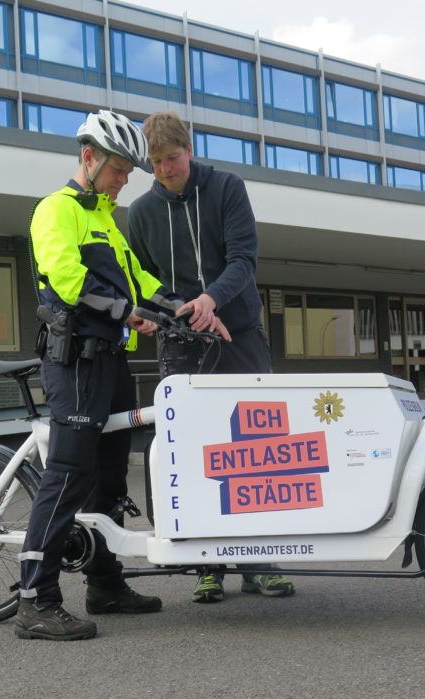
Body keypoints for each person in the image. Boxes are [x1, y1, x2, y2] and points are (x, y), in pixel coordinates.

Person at [15, 110, 190, 641]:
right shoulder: (56, 210)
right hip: (75, 361)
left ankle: (105, 584)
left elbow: (139, 279)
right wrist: (123, 312)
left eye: (128, 171)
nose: (126, 179)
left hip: (112, 360)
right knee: (68, 472)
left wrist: (180, 309)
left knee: (111, 477)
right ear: (88, 158)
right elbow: (68, 279)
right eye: (118, 168)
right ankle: (35, 601)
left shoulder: (105, 219)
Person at [127, 110, 295, 605]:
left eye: (172, 159)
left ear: (190, 150)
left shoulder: (227, 189)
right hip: (180, 343)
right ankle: (206, 566)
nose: (164, 170)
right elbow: (142, 278)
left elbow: (244, 259)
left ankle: (260, 563)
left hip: (240, 334)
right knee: (190, 449)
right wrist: (179, 310)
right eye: (155, 163)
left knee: (258, 444)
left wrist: (211, 300)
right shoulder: (140, 213)